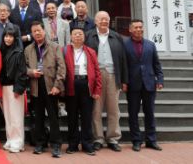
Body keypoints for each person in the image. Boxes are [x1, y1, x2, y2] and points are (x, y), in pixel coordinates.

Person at [85, 11, 128, 152]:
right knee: (96, 109)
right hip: (95, 76)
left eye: (106, 19)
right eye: (101, 19)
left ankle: (113, 138)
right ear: (95, 21)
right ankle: (97, 138)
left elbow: (123, 59)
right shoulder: (88, 35)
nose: (104, 21)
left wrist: (124, 80)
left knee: (113, 109)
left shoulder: (116, 36)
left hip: (113, 74)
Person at [25, 21, 65, 158]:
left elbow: (61, 67)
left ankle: (56, 144)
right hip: (36, 85)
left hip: (51, 85)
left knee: (53, 117)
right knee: (38, 117)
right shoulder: (28, 49)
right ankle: (40, 143)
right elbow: (24, 67)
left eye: (39, 30)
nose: (37, 33)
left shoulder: (55, 47)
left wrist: (57, 85)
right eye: (34, 31)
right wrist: (31, 72)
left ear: (44, 31)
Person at [124, 19, 164, 152]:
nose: (138, 29)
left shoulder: (150, 45)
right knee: (133, 114)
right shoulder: (124, 45)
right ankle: (136, 141)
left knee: (150, 113)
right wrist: (124, 81)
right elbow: (123, 65)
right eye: (135, 27)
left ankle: (151, 140)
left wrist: (160, 79)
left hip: (149, 83)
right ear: (130, 29)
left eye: (140, 27)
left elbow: (156, 64)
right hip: (132, 84)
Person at [63, 26, 102, 156]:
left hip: (86, 85)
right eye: (75, 34)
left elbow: (97, 71)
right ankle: (73, 144)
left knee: (86, 116)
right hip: (71, 85)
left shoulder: (90, 52)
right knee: (72, 116)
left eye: (80, 34)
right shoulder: (65, 50)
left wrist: (97, 90)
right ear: (71, 37)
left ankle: (87, 144)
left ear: (84, 37)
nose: (78, 36)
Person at [0, 27, 28, 153]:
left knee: (16, 116)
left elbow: (22, 72)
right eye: (6, 36)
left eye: (10, 36)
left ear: (15, 38)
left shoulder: (19, 52)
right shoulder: (2, 51)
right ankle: (10, 139)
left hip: (14, 87)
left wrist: (18, 89)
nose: (8, 38)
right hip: (4, 86)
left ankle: (18, 142)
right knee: (8, 116)